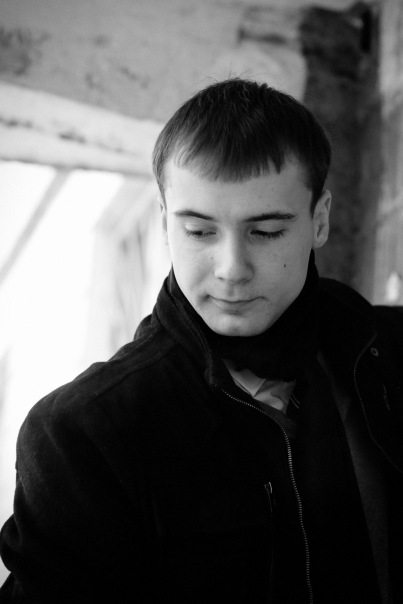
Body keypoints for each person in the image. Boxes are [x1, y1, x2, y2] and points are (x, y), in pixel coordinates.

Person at [1, 78, 402, 604]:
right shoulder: (85, 433)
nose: (232, 269)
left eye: (266, 231)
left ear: (319, 221)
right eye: (199, 231)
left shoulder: (388, 350)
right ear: (165, 223)